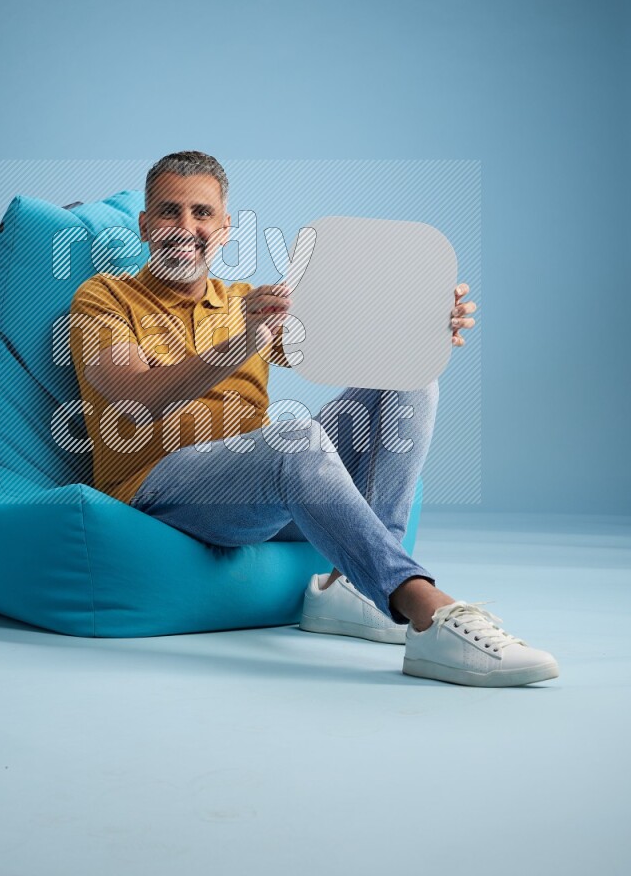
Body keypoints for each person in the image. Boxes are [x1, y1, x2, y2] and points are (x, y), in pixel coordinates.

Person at [69, 151, 559, 687]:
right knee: (293, 437)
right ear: (144, 224)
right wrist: (241, 344)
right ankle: (424, 608)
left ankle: (355, 587)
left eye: (202, 213)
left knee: (407, 371)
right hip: (159, 491)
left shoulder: (244, 301)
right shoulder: (103, 297)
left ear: (225, 227)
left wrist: (430, 322)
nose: (186, 227)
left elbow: (361, 341)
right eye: (169, 211)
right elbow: (134, 397)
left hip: (263, 493)